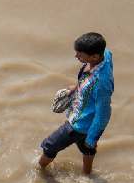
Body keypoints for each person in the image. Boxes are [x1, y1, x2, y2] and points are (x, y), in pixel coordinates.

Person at [39, 32, 114, 175]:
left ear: (94, 57)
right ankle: (88, 176)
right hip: (86, 118)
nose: (76, 57)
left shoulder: (101, 84)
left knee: (50, 146)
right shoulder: (106, 55)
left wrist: (92, 138)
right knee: (87, 149)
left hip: (79, 125)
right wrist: (78, 87)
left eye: (80, 55)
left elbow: (103, 115)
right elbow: (107, 53)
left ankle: (39, 172)